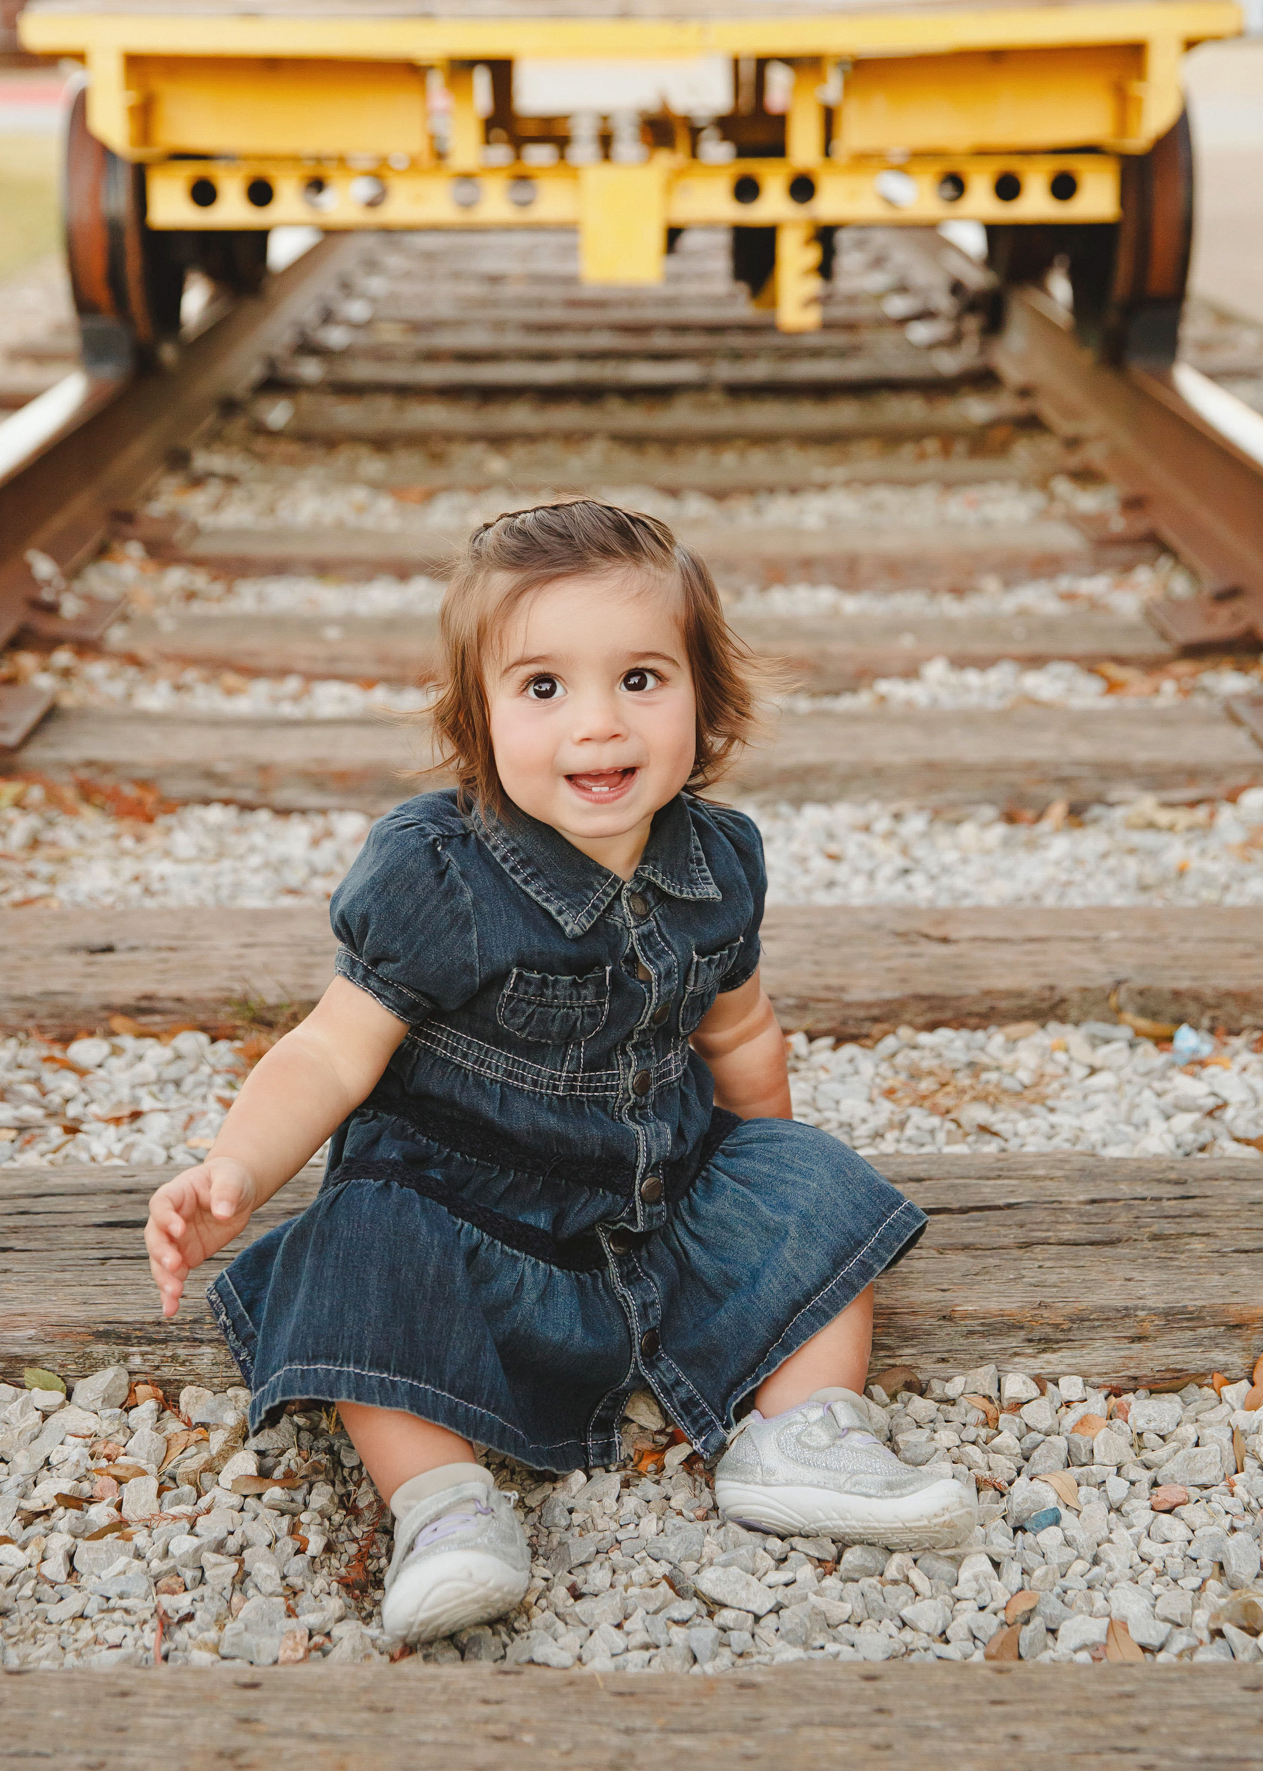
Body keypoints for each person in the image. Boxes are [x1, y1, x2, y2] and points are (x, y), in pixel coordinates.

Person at [144, 500, 970, 1646]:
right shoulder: (434, 871)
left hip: (657, 1209)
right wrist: (231, 1166)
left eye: (640, 678)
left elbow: (740, 1037)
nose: (597, 724)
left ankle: (802, 1431)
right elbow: (330, 1049)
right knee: (359, 1243)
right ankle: (439, 1505)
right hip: (465, 1231)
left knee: (818, 1182)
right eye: (543, 688)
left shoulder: (717, 860)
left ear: (704, 696)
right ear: (477, 719)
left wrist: (776, 1229)